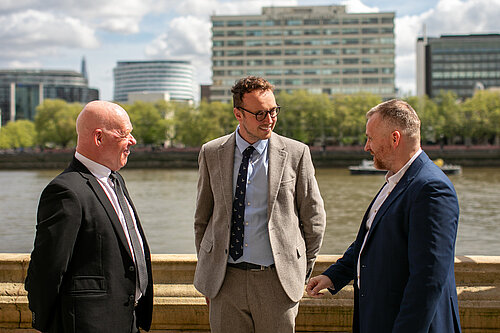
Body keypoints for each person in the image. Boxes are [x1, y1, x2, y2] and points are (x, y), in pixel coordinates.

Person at [306, 99, 461, 332]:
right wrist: (334, 275)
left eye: (370, 138)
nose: (366, 147)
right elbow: (370, 240)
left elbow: (428, 280)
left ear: (395, 138)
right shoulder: (397, 179)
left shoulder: (432, 189)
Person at [193, 76, 326, 333]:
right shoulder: (211, 152)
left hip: (277, 283)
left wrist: (300, 274)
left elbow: (314, 219)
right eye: (260, 114)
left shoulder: (297, 153)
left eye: (273, 111)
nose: (269, 120)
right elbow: (202, 218)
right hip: (225, 282)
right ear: (238, 114)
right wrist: (212, 276)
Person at [25, 101, 153, 332]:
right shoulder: (65, 191)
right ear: (98, 138)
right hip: (90, 324)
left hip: (127, 320)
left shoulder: (116, 180)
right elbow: (48, 268)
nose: (133, 141)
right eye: (125, 134)